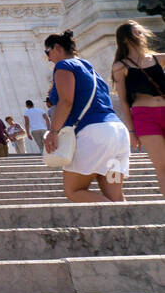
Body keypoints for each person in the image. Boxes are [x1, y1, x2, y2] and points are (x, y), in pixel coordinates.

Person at [43, 30, 130, 203]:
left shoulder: (64, 66)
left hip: (93, 135)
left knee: (74, 190)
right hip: (117, 134)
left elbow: (66, 102)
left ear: (57, 47)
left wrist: (53, 131)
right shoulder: (90, 69)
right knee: (116, 197)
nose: (48, 58)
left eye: (48, 52)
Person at [110, 20, 165, 198]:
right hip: (145, 116)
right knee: (162, 165)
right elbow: (124, 101)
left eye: (141, 32)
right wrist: (131, 131)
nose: (142, 36)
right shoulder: (120, 66)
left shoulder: (158, 58)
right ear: (126, 39)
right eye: (137, 33)